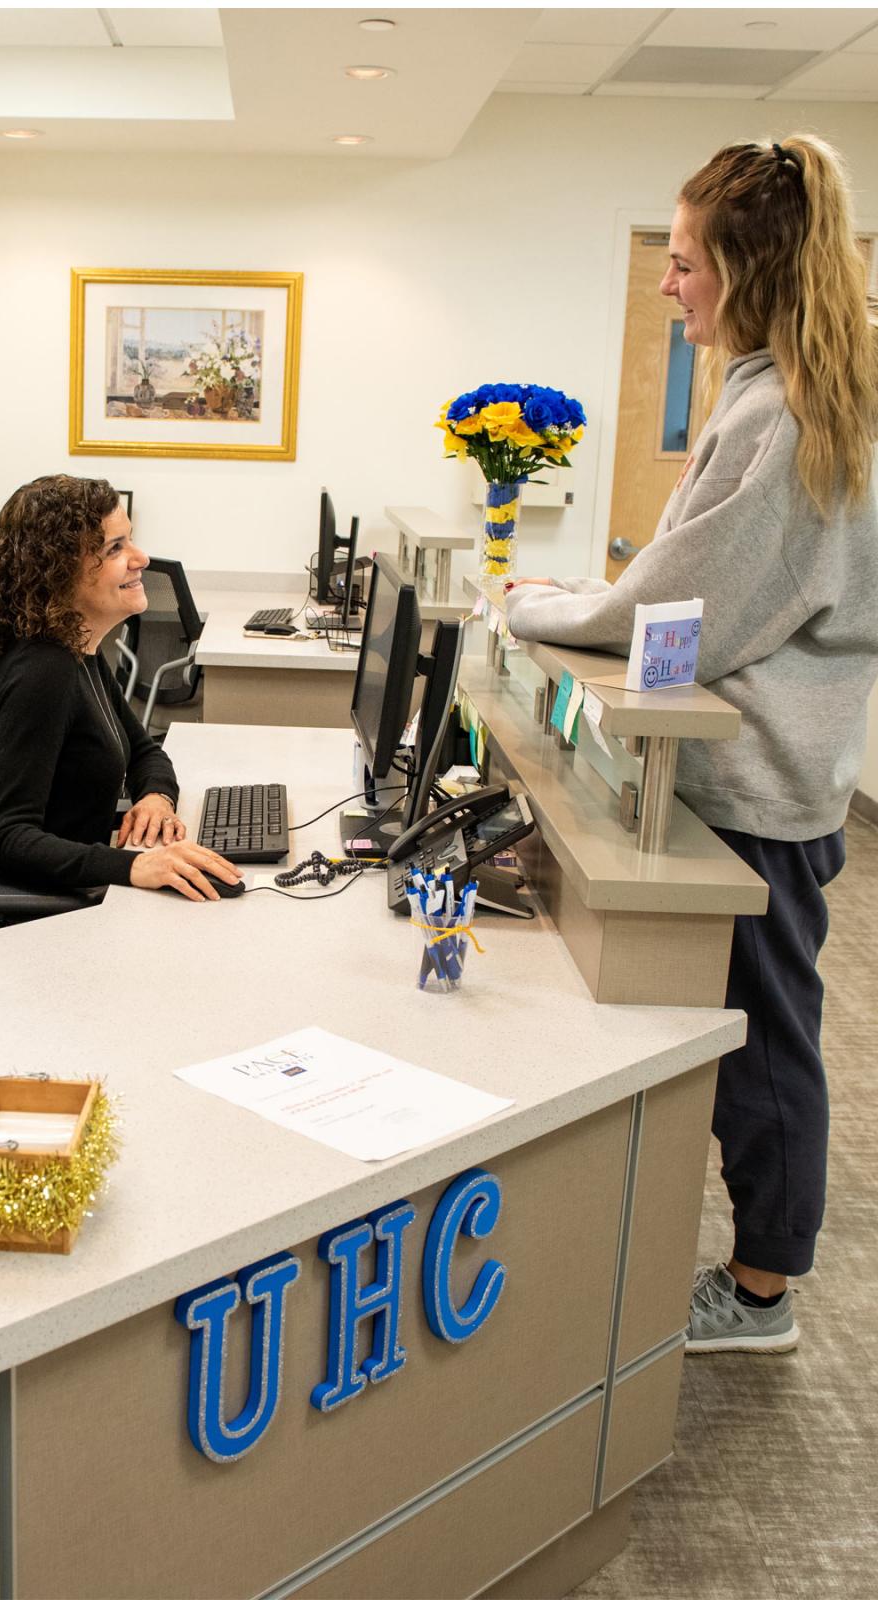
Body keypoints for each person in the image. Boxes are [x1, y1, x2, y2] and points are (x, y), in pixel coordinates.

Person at [505, 134, 878, 1353]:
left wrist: (534, 604)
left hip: (755, 789)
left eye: (683, 264)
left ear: (747, 268)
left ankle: (763, 1288)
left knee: (764, 1053)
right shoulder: (791, 392)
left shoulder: (781, 413)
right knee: (759, 1037)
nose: (668, 287)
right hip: (784, 772)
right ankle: (758, 1260)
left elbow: (676, 611)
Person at [0, 474, 240, 942]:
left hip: (47, 899)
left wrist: (155, 798)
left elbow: (145, 750)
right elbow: (10, 839)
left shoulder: (77, 652)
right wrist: (137, 866)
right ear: (58, 570)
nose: (141, 558)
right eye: (114, 548)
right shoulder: (42, 672)